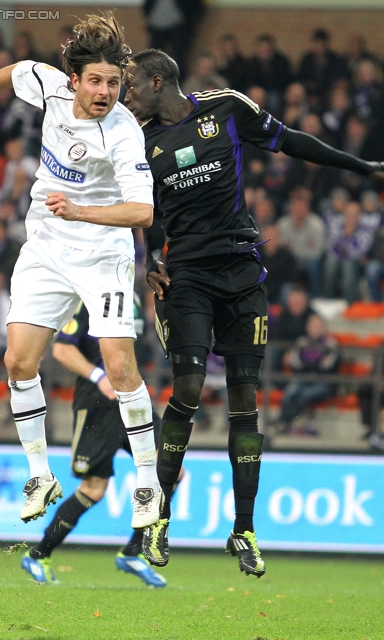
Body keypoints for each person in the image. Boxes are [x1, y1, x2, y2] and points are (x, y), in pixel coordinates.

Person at [123, 48, 384, 576]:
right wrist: (149, 258)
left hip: (242, 271)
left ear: (158, 81)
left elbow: (292, 142)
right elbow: (145, 213)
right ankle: (159, 519)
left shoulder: (226, 108)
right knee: (190, 388)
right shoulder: (139, 139)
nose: (125, 94)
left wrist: (361, 167)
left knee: (246, 397)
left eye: (131, 84)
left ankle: (243, 530)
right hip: (186, 275)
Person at [0, 12, 162, 528]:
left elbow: (143, 213)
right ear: (74, 80)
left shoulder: (124, 132)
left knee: (118, 368)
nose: (105, 91)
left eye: (114, 83)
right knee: (19, 363)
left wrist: (81, 210)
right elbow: (17, 68)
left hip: (103, 254)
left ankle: (150, 484)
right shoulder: (48, 88)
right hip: (46, 248)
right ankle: (40, 476)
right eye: (96, 80)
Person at [22, 295, 176, 587]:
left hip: (133, 404)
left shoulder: (133, 299)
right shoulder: (87, 300)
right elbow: (63, 350)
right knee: (94, 488)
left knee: (171, 471)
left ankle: (133, 553)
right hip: (98, 407)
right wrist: (98, 376)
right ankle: (38, 555)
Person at [275, 314, 340, 435]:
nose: (315, 328)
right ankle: (284, 421)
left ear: (323, 327)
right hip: (302, 378)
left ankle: (284, 422)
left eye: (318, 325)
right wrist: (311, 363)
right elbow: (295, 362)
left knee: (305, 395)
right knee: (290, 392)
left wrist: (308, 363)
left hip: (323, 381)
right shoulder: (302, 342)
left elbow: (327, 366)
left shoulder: (330, 343)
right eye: (312, 325)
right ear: (307, 327)